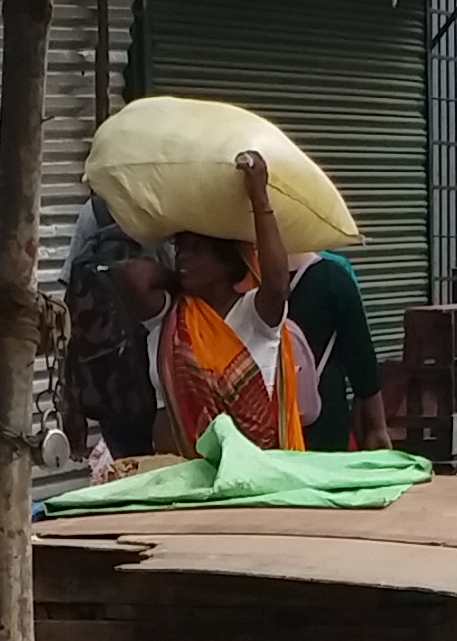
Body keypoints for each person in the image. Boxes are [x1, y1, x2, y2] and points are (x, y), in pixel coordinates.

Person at [147, 152, 312, 455]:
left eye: (196, 251)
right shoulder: (174, 321)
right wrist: (178, 278)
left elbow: (276, 283)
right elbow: (132, 278)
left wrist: (259, 197)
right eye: (179, 250)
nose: (183, 258)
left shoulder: (254, 315)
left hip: (259, 468)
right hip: (190, 474)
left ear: (228, 263)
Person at [59, 202, 164, 469]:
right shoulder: (175, 196)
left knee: (133, 475)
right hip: (166, 375)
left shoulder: (96, 210)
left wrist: (71, 400)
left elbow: (73, 313)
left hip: (118, 387)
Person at [283, 244, 382, 449]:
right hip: (324, 419)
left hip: (261, 423)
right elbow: (363, 363)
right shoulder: (332, 277)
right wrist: (377, 427)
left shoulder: (242, 282)